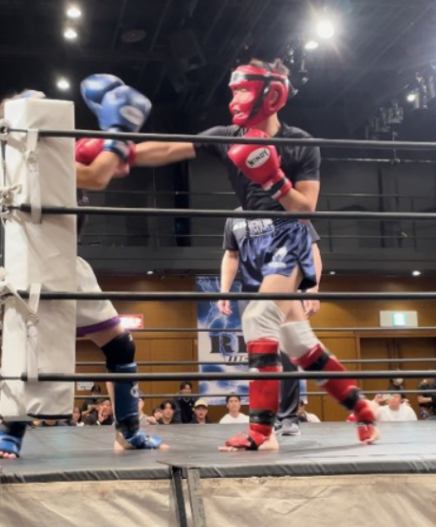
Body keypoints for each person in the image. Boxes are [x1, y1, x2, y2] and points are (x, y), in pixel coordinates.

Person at [134, 57, 377, 450]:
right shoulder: (227, 135)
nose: (234, 100)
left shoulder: (300, 143)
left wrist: (273, 179)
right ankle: (362, 409)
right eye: (233, 91)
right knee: (297, 342)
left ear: (272, 95)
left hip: (287, 235)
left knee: (259, 316)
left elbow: (306, 210)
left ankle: (262, 431)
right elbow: (168, 148)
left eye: (243, 91)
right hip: (254, 244)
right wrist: (120, 155)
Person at [0, 75, 167, 459]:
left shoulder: (55, 152)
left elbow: (117, 165)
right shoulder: (28, 162)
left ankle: (129, 431)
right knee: (28, 347)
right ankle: (9, 431)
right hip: (36, 265)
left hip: (67, 262)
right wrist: (118, 132)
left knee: (120, 344)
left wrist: (115, 142)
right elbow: (98, 175)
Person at [218, 210, 323, 436]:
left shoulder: (288, 208)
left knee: (287, 353)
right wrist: (224, 291)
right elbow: (231, 256)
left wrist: (312, 289)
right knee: (260, 357)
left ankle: (289, 417)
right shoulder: (234, 218)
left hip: (282, 290)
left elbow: (312, 249)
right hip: (250, 293)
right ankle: (267, 419)